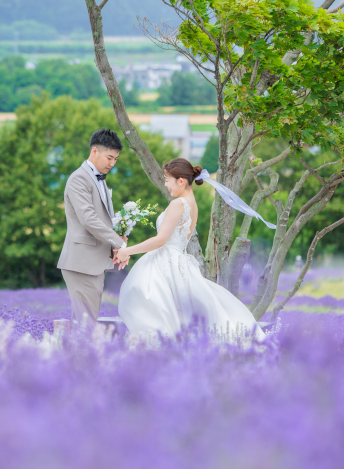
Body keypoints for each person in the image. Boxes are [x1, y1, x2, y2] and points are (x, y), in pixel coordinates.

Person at [113, 158, 265, 340]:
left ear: (181, 181)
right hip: (179, 261)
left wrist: (126, 251)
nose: (166, 184)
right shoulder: (191, 204)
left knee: (145, 299)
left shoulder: (178, 204)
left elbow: (161, 240)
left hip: (167, 262)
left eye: (167, 179)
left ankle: (162, 344)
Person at [57, 128, 127, 332]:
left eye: (116, 159)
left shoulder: (98, 178)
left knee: (84, 324)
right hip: (81, 263)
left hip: (93, 262)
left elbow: (103, 220)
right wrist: (119, 243)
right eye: (109, 157)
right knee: (87, 325)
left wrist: (117, 238)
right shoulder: (79, 179)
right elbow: (88, 219)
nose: (112, 163)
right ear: (94, 151)